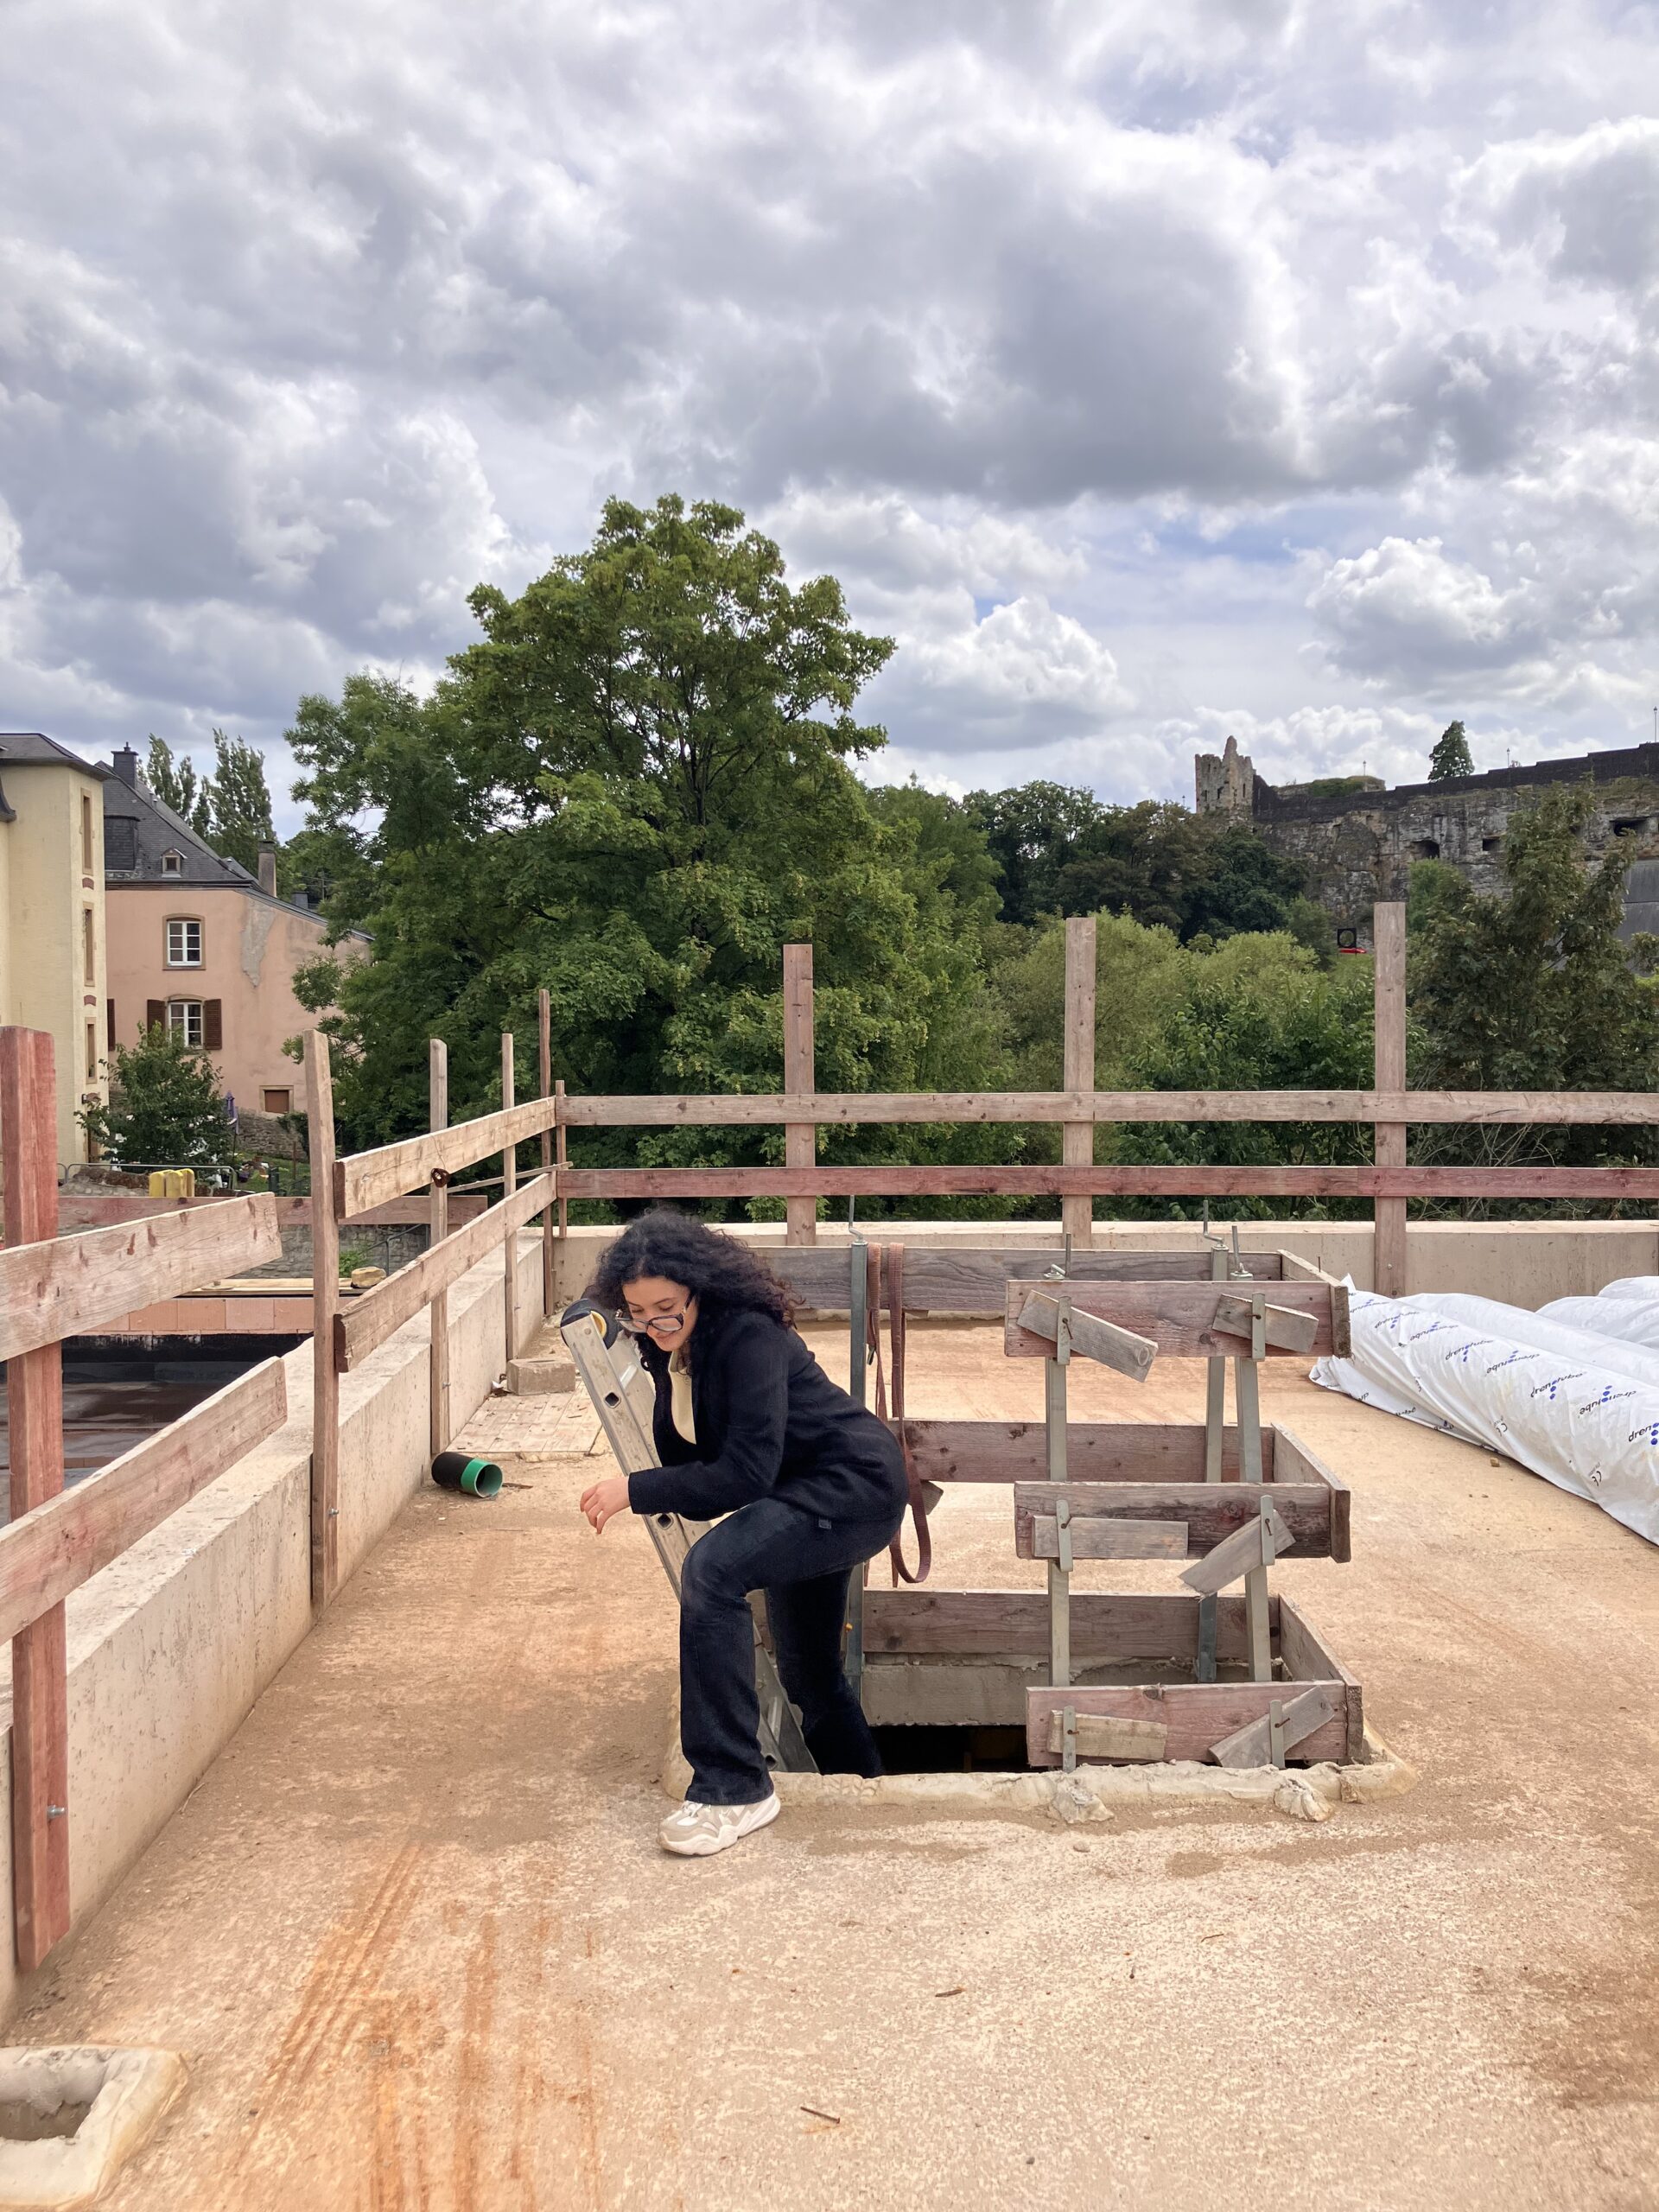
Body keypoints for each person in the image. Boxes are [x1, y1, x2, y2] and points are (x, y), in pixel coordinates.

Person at [577, 1211, 906, 1859]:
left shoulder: (749, 1338)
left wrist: (634, 1491)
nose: (655, 1323)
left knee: (713, 1570)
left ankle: (733, 1788)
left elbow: (740, 1476)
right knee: (808, 1672)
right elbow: (686, 1454)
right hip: (802, 1492)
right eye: (638, 1313)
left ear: (700, 1288)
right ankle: (867, 1789)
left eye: (666, 1309)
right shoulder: (676, 1346)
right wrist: (663, 1361)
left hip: (854, 1489)